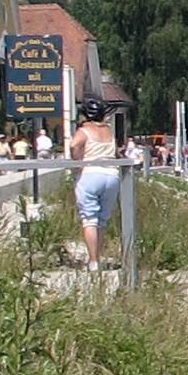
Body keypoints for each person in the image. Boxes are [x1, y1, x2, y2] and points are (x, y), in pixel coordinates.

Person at [69, 101, 124, 269]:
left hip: (90, 173)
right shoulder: (108, 131)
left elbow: (74, 145)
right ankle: (98, 257)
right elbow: (116, 153)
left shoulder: (84, 131)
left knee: (89, 219)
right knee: (102, 220)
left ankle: (93, 261)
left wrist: (77, 158)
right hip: (111, 175)